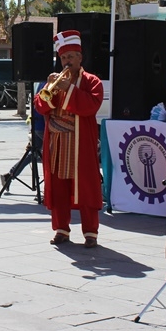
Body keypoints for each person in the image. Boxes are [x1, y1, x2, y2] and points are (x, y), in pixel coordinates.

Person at [33, 30, 104, 248]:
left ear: (80, 57)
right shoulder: (54, 81)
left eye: (71, 57)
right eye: (63, 58)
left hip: (79, 144)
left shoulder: (93, 82)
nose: (67, 61)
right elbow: (40, 106)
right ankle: (61, 229)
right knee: (59, 188)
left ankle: (90, 232)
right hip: (57, 144)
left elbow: (91, 106)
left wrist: (70, 89)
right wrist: (50, 90)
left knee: (86, 187)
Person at [0, 80, 45, 190]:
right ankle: (47, 188)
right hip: (43, 125)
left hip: (37, 124)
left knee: (32, 155)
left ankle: (9, 176)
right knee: (51, 157)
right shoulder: (48, 83)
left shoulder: (38, 82)